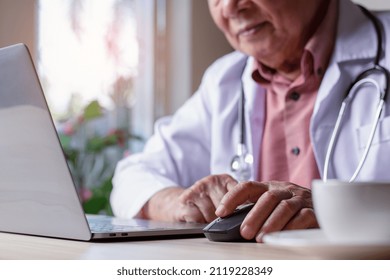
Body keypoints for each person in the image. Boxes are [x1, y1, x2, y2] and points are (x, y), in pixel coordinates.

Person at [110, 0, 390, 242]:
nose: (230, 7)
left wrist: (331, 214)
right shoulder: (224, 81)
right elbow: (132, 176)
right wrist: (181, 202)